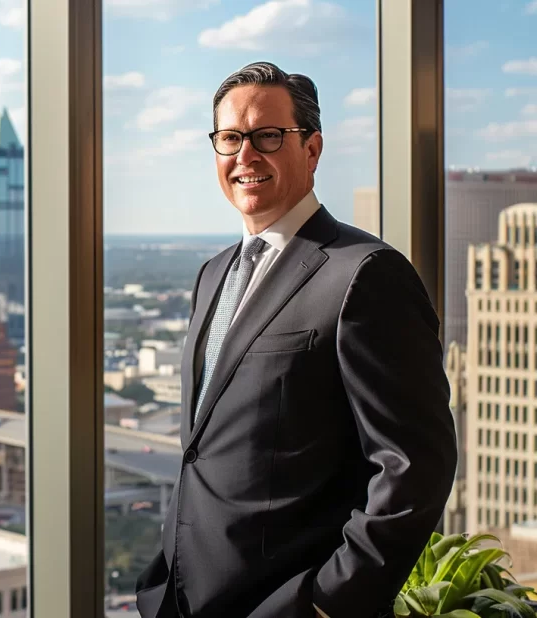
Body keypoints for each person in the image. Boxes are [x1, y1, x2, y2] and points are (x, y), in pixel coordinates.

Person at [134, 61, 457, 618]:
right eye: (230, 138)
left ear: (311, 149)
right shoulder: (213, 274)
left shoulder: (364, 273)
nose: (245, 155)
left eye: (267, 136)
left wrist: (328, 603)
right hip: (183, 599)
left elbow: (414, 466)